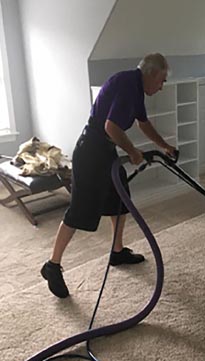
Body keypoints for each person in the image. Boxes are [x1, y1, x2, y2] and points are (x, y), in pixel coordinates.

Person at [41, 53, 177, 298]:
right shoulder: (127, 86)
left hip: (105, 149)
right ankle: (52, 265)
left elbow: (142, 123)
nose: (162, 86)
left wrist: (164, 145)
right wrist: (133, 152)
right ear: (151, 74)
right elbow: (110, 126)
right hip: (91, 150)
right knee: (80, 210)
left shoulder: (135, 86)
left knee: (120, 198)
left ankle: (117, 251)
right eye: (162, 80)